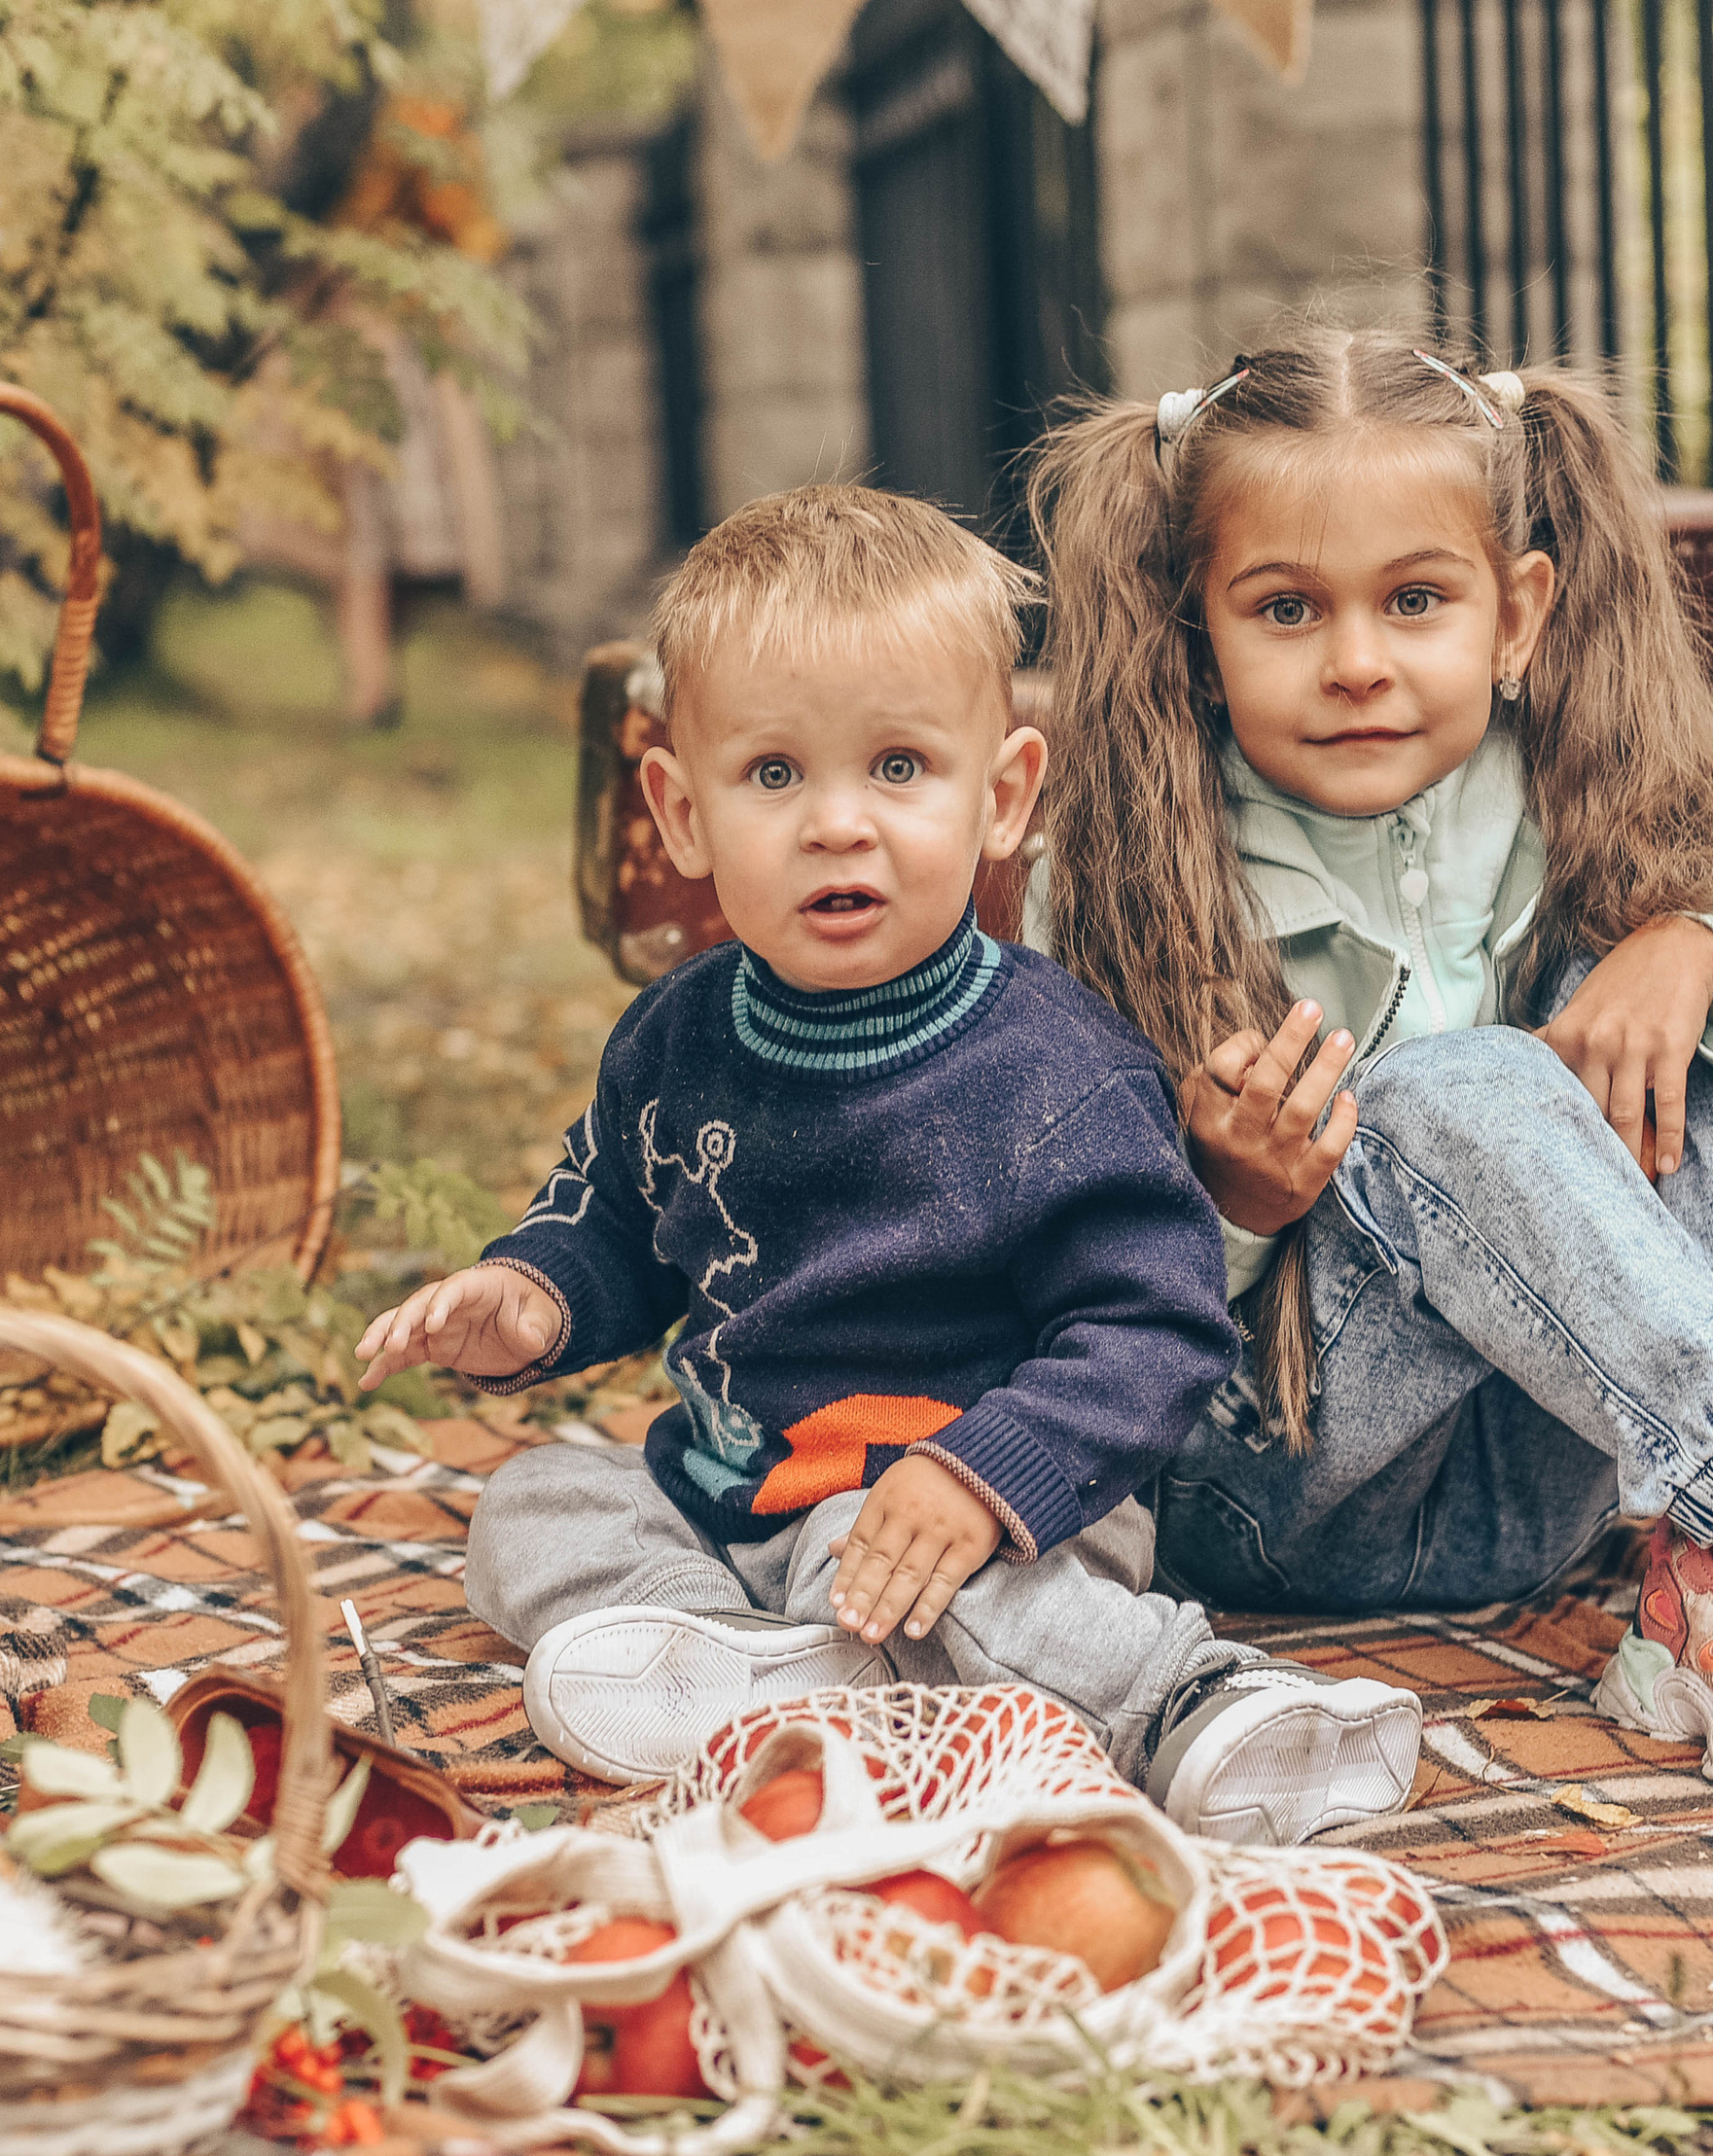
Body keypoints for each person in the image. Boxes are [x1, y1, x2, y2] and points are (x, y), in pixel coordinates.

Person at [1026, 327, 1713, 1856]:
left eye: (1417, 600)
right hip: (1280, 1495)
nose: (1359, 660)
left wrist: (1708, 953)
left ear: (1518, 615)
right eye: (1287, 610)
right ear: (1196, 630)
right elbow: (1053, 1298)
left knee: (1674, 1025)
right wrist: (1235, 1209)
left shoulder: (1609, 800)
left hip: (1570, 1490)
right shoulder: (1119, 885)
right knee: (1462, 1086)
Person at [356, 484, 1423, 1842]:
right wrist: (532, 1297)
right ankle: (736, 1669)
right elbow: (616, 1221)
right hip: (737, 1494)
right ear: (682, 816)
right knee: (530, 1504)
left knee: (971, 1604)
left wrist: (989, 1473)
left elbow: (1155, 1327)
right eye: (775, 776)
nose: (839, 825)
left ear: (1005, 797)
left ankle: (1194, 1699)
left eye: (900, 769)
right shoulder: (678, 1036)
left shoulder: (1053, 1066)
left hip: (981, 1511)